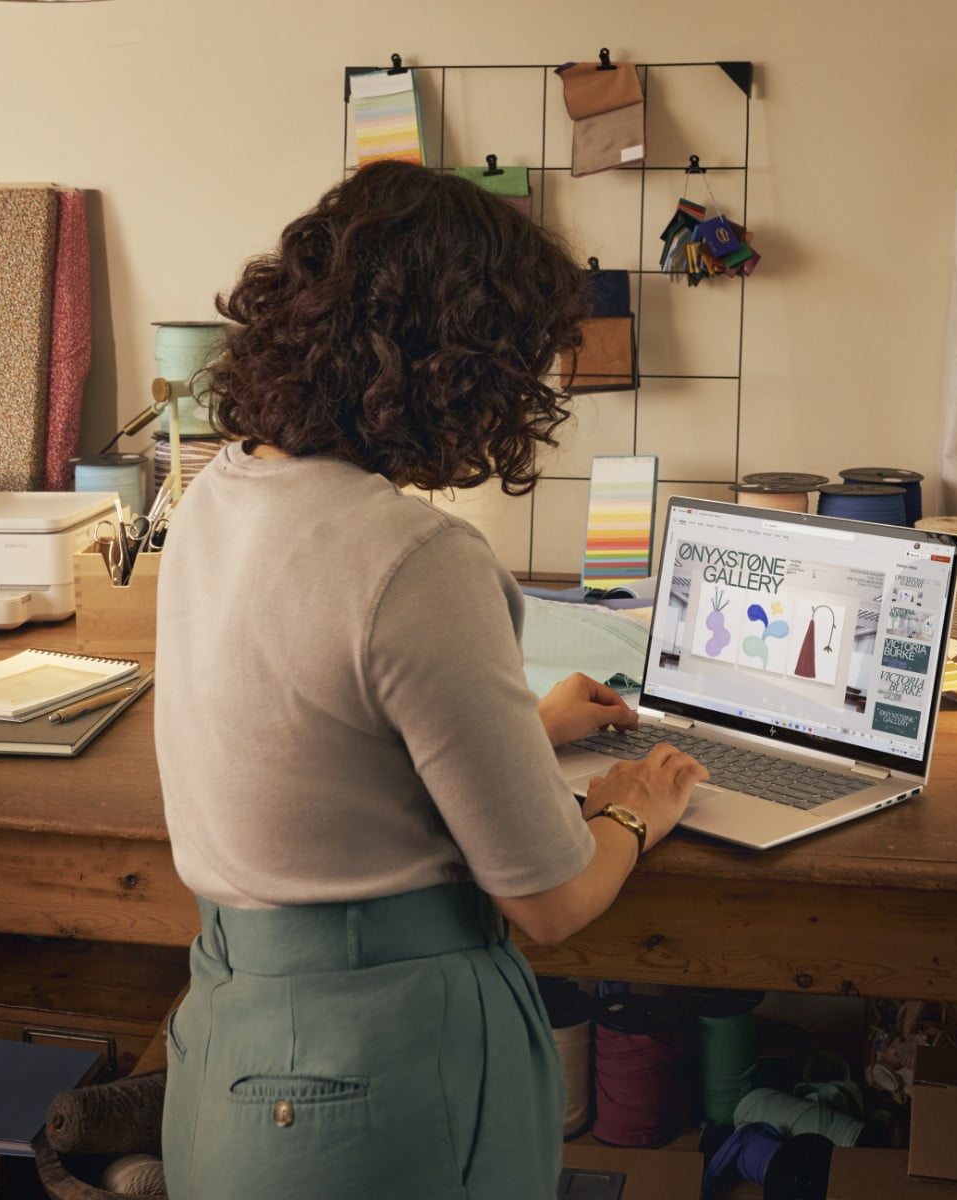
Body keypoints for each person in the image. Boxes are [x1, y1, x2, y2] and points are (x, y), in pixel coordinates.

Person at [154, 160, 708, 1198]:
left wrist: (518, 731)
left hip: (235, 1039)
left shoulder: (217, 495)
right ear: (466, 367)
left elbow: (307, 735)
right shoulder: (414, 558)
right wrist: (630, 813)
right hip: (379, 1065)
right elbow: (548, 901)